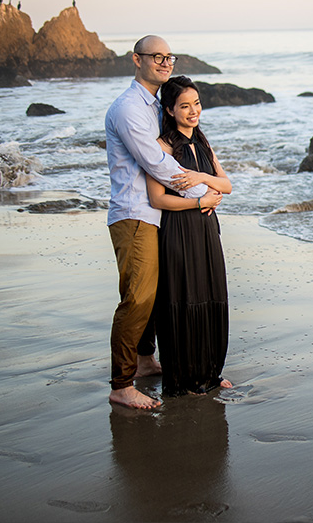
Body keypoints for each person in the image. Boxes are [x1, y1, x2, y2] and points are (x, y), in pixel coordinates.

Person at [104, 35, 215, 409]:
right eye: (156, 56)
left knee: (156, 295)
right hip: (136, 213)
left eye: (169, 56)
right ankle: (121, 384)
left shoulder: (156, 106)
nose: (164, 62)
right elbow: (156, 162)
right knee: (138, 298)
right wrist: (199, 192)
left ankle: (145, 360)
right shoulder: (129, 109)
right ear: (137, 60)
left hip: (159, 215)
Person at [147, 76, 233, 396]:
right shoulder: (162, 146)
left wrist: (200, 177)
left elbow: (227, 185)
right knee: (183, 299)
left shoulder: (203, 141)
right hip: (179, 229)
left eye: (196, 103)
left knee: (211, 295)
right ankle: (183, 380)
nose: (193, 111)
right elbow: (157, 199)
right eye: (184, 106)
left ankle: (210, 374)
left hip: (207, 227)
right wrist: (199, 200)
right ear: (169, 110)